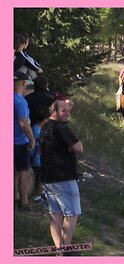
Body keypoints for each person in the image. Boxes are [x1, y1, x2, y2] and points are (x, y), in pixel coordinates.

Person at [40, 100, 83, 254]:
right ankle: (66, 250)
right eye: (63, 110)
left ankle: (59, 250)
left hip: (47, 177)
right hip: (63, 176)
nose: (67, 113)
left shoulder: (45, 127)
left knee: (55, 214)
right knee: (72, 214)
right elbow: (79, 148)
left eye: (68, 110)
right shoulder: (60, 128)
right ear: (54, 112)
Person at [14, 71, 36, 211]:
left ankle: (14, 196)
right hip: (19, 142)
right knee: (23, 171)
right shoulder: (20, 101)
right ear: (23, 83)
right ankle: (24, 203)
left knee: (12, 171)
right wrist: (32, 139)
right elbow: (23, 123)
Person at [30, 107, 50, 208]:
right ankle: (37, 197)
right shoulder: (36, 130)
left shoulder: (39, 128)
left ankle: (42, 194)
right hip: (36, 159)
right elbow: (31, 146)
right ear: (45, 119)